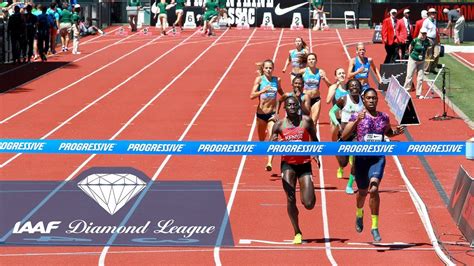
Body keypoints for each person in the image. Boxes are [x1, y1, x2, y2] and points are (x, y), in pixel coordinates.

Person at [341, 88, 405, 242]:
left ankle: (374, 227)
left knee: (374, 189)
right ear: (363, 99)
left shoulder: (384, 117)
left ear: (377, 100)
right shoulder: (357, 115)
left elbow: (387, 132)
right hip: (361, 160)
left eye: (374, 98)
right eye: (368, 98)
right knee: (362, 193)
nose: (371, 101)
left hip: (377, 159)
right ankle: (359, 213)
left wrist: (396, 132)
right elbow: (344, 135)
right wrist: (357, 120)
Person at [270, 96, 318, 244]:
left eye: (294, 104)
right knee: (290, 198)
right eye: (289, 105)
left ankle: (307, 195)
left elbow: (315, 139)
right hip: (288, 164)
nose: (291, 107)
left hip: (304, 164)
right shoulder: (279, 125)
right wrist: (273, 142)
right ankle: (297, 231)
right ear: (284, 108)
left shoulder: (306, 121)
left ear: (298, 106)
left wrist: (316, 154)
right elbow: (270, 144)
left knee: (309, 204)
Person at [329, 79, 363, 194]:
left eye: (356, 85)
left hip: (357, 134)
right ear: (348, 88)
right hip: (344, 134)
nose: (354, 87)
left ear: (360, 88)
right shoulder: (344, 99)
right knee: (343, 162)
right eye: (352, 85)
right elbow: (331, 112)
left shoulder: (363, 100)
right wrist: (337, 124)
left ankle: (349, 185)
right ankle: (341, 167)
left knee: (356, 159)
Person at [250, 59, 284, 172]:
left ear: (273, 69)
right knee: (261, 139)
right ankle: (264, 134)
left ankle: (269, 162)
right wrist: (262, 91)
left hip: (272, 114)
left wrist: (289, 98)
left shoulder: (276, 80)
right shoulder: (259, 80)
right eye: (266, 68)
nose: (269, 70)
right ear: (263, 69)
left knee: (273, 137)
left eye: (270, 68)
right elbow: (251, 96)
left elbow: (281, 93)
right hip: (261, 114)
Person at [298, 53, 331, 131]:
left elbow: (330, 86)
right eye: (309, 59)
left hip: (316, 99)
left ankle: (313, 141)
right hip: (306, 99)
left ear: (316, 61)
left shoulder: (320, 71)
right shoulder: (303, 71)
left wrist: (325, 78)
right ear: (307, 61)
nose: (311, 61)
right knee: (304, 122)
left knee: (314, 122)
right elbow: (295, 81)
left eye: (313, 59)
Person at [403, 28, 430, 99]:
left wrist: (425, 56)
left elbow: (428, 48)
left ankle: (419, 94)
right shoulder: (415, 40)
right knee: (409, 76)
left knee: (420, 77)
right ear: (420, 33)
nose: (423, 35)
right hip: (413, 59)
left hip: (421, 61)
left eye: (425, 34)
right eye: (422, 33)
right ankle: (405, 91)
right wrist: (409, 54)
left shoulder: (427, 41)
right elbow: (410, 46)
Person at [326, 67, 349, 141]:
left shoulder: (349, 87)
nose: (342, 75)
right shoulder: (333, 87)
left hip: (346, 119)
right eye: (339, 73)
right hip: (336, 118)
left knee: (346, 140)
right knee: (334, 141)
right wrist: (336, 87)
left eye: (343, 73)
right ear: (336, 77)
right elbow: (328, 101)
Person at [422, 8, 439, 74]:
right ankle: (426, 69)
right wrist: (425, 39)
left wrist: (438, 40)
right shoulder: (426, 21)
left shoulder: (434, 20)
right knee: (429, 55)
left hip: (435, 39)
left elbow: (435, 31)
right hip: (428, 38)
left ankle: (432, 68)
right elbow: (423, 30)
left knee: (437, 54)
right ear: (428, 14)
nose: (433, 14)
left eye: (434, 12)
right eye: (432, 13)